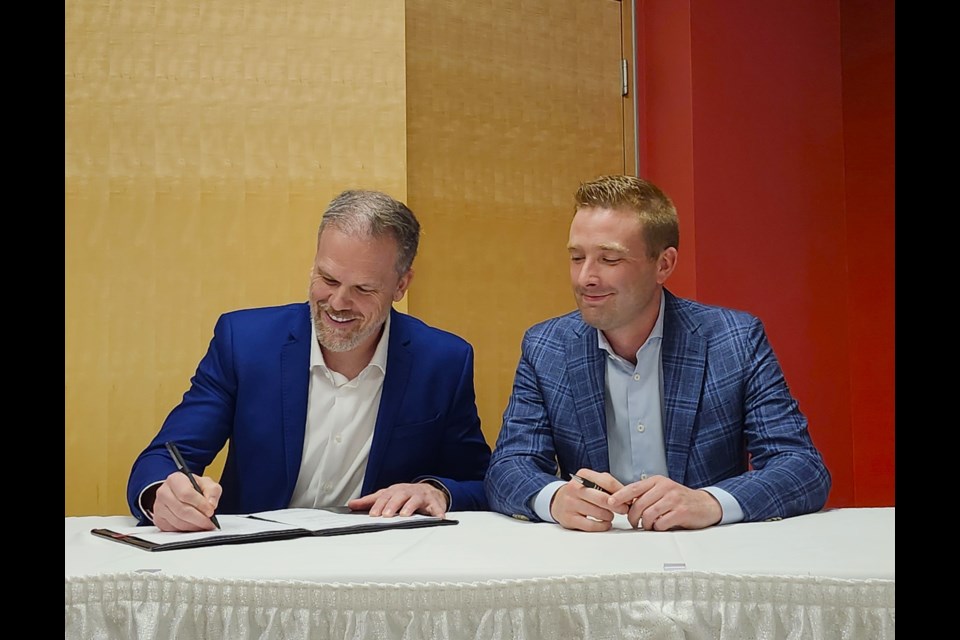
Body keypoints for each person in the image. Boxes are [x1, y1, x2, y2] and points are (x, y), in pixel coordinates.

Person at [128, 189, 491, 531]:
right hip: (251, 559)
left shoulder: (443, 361)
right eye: (328, 278)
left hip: (378, 565)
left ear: (401, 285)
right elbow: (165, 456)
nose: (337, 303)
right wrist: (162, 494)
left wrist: (436, 491)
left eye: (363, 289)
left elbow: (480, 483)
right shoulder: (244, 342)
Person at [484, 175, 831, 532]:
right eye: (576, 257)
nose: (585, 277)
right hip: (596, 554)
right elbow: (508, 468)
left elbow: (802, 467)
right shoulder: (547, 347)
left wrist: (709, 501)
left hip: (708, 555)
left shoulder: (734, 340)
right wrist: (555, 498)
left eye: (609, 259)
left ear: (663, 265)